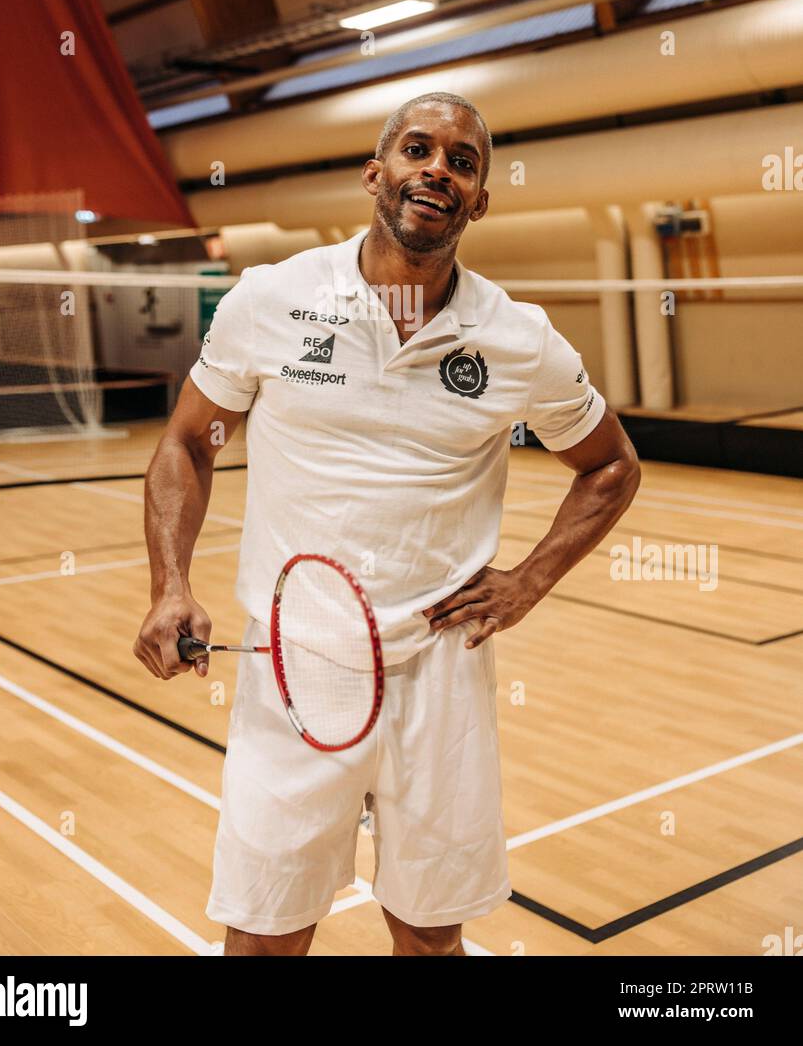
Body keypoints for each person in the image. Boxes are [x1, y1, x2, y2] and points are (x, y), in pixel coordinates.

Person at [134, 91, 641, 956]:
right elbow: (188, 442)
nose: (438, 168)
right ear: (377, 172)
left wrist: (527, 583)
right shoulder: (274, 298)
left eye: (463, 162)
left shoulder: (517, 339)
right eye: (418, 150)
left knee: (431, 936)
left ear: (478, 200)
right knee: (263, 935)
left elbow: (610, 465)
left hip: (440, 672)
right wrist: (169, 586)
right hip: (296, 663)